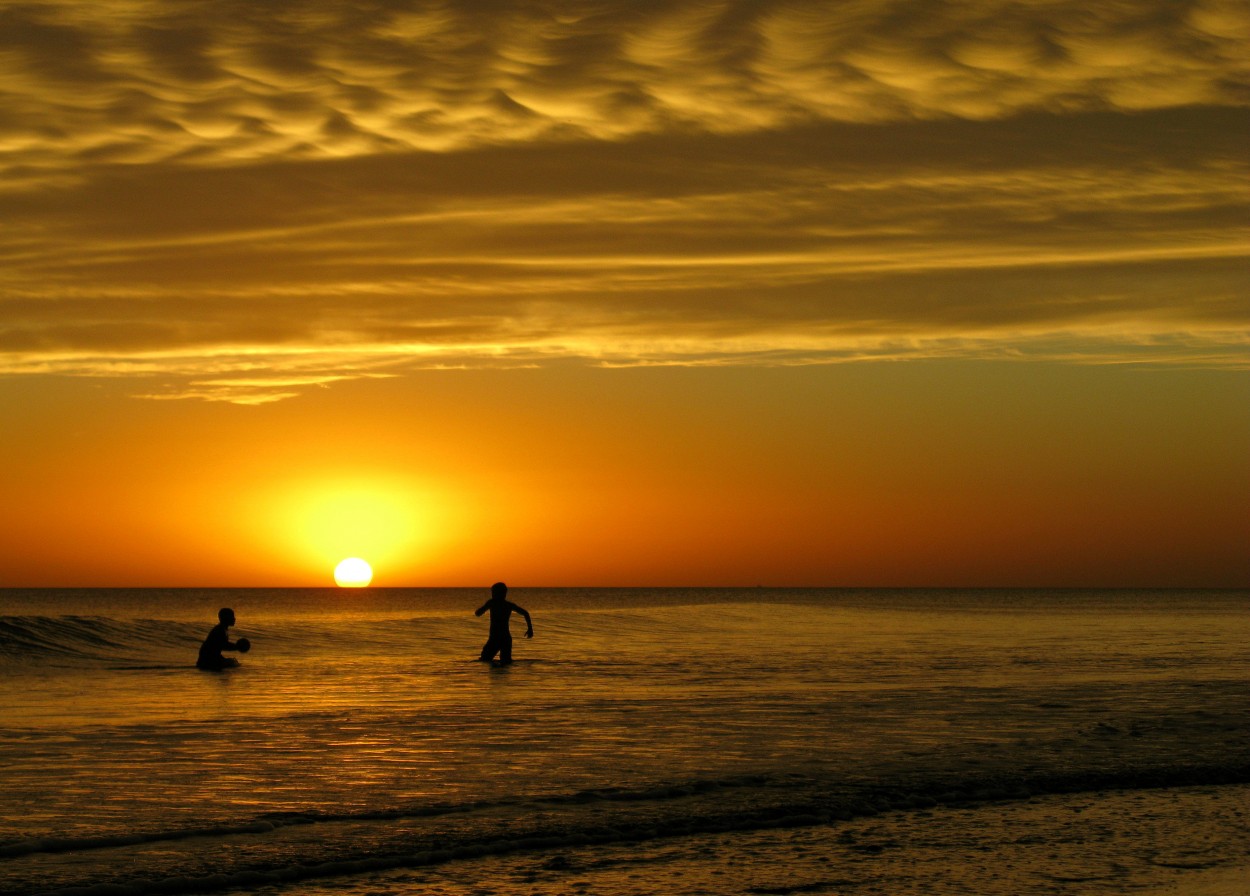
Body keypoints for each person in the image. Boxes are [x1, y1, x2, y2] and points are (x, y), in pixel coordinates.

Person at [475, 582, 532, 664]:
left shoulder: (492, 603)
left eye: (493, 592)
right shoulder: (508, 605)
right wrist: (530, 629)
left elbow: (477, 613)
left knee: (485, 660)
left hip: (495, 638)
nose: (492, 594)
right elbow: (525, 613)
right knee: (505, 663)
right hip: (506, 638)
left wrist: (484, 607)